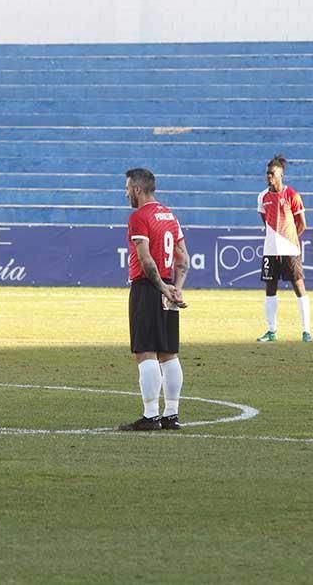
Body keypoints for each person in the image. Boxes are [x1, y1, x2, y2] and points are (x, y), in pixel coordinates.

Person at [119, 168, 190, 432]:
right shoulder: (170, 215)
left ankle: (150, 416)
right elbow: (183, 257)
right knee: (169, 354)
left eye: (127, 188)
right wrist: (176, 289)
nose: (125, 192)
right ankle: (171, 414)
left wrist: (161, 287)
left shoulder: (139, 217)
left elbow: (146, 259)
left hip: (149, 288)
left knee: (146, 351)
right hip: (168, 287)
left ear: (137, 189)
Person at [255, 155, 311, 343]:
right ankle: (271, 331)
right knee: (270, 288)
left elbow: (302, 224)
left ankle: (306, 331)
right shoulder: (262, 197)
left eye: (272, 173)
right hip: (270, 250)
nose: (269, 176)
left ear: (281, 174)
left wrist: (290, 241)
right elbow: (265, 220)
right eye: (267, 173)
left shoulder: (292, 195)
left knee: (298, 285)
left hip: (289, 249)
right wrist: (274, 239)